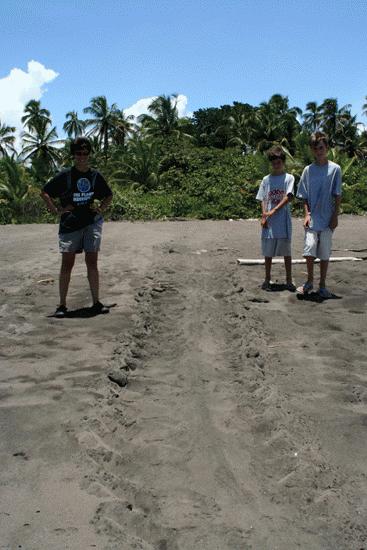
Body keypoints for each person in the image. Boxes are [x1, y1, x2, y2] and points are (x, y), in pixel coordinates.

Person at [41, 137, 113, 317]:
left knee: (92, 262)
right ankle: (62, 305)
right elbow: (45, 192)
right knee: (67, 264)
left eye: (85, 153)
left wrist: (100, 209)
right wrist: (58, 210)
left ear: (89, 154)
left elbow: (108, 195)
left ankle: (96, 302)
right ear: (73, 155)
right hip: (70, 224)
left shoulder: (95, 176)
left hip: (91, 223)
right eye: (78, 153)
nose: (82, 157)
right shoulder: (65, 176)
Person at [296, 132, 342, 298]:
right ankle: (309, 281)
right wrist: (306, 214)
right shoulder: (308, 170)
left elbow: (337, 194)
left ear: (327, 148)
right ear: (312, 150)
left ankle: (322, 285)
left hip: (328, 217)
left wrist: (335, 216)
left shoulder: (335, 169)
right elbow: (304, 196)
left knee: (324, 252)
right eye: (315, 148)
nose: (319, 151)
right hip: (313, 217)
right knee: (309, 249)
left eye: (321, 147)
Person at [256, 145, 295, 291]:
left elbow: (288, 197)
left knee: (286, 252)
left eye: (278, 162)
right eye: (273, 163)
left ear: (283, 162)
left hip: (283, 221)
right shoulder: (266, 179)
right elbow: (263, 198)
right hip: (269, 222)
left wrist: (274, 210)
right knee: (268, 252)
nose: (276, 165)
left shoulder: (289, 178)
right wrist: (264, 216)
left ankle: (289, 280)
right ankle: (267, 279)